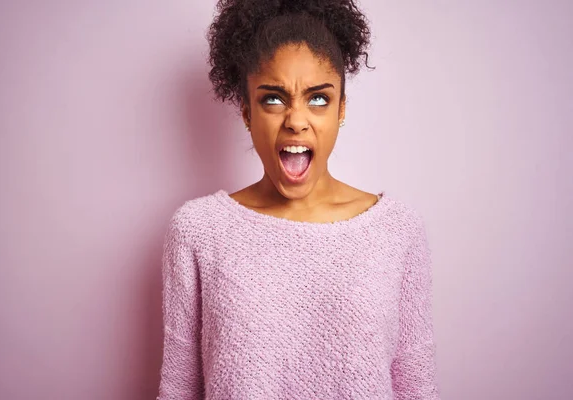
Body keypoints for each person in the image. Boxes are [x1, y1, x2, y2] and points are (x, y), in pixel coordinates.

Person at [157, 0, 440, 399]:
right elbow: (179, 390)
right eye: (273, 98)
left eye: (318, 98)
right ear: (246, 112)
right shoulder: (198, 231)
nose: (295, 119)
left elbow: (417, 388)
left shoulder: (397, 231)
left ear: (341, 109)